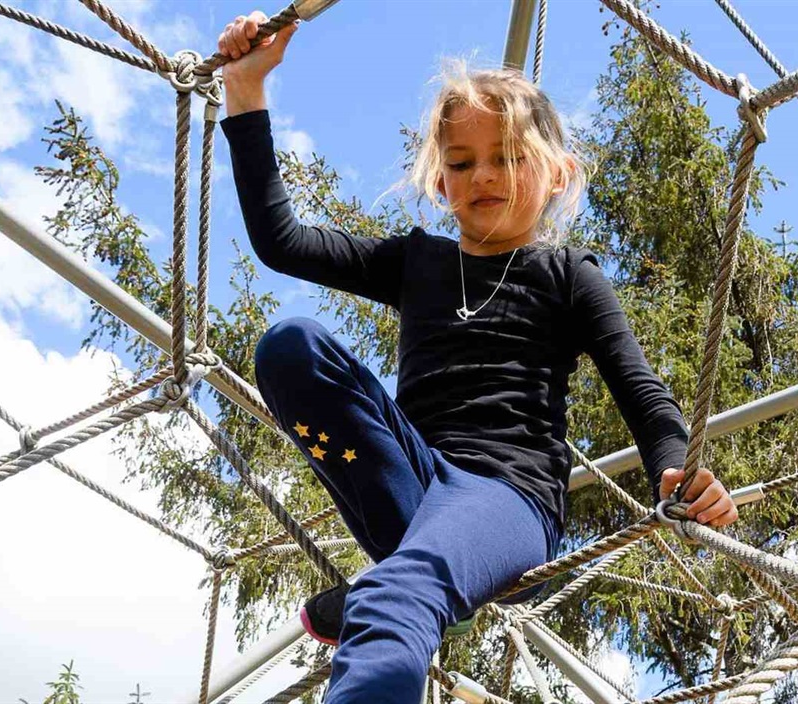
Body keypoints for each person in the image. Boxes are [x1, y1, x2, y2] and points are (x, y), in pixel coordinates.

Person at [217, 10, 738, 703]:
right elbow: (282, 241)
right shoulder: (417, 263)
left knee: (398, 595)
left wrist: (674, 466)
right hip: (409, 481)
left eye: (510, 158)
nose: (484, 176)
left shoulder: (567, 275)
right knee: (292, 347)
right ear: (440, 182)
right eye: (461, 163)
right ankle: (413, 576)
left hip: (505, 499)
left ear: (558, 174)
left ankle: (402, 588)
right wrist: (245, 92)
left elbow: (639, 389)